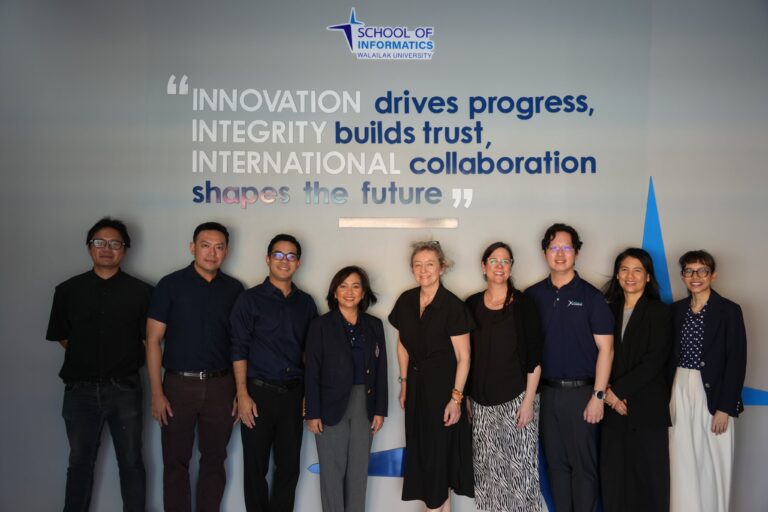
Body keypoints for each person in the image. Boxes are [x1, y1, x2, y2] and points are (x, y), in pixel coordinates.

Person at [46, 217, 153, 512]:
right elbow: (63, 337)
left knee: (131, 461)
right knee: (79, 462)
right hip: (79, 390)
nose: (107, 248)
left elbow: (149, 340)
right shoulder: (67, 291)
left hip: (125, 389)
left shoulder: (143, 292)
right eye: (100, 242)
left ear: (125, 250)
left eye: (115, 243)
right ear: (89, 247)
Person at [145, 222, 244, 512]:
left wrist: (239, 391)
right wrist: (157, 393)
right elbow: (153, 341)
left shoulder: (234, 289)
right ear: (192, 247)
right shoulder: (170, 285)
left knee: (215, 459)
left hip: (221, 386)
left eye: (219, 247)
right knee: (175, 462)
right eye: (205, 245)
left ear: (226, 251)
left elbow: (240, 344)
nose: (212, 253)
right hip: (178, 386)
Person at [524, 223, 614, 512]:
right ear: (544, 253)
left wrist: (598, 396)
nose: (560, 254)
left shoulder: (591, 297)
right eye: (554, 248)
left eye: (566, 248)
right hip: (547, 394)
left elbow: (607, 349)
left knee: (583, 467)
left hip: (582, 394)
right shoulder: (532, 296)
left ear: (576, 252)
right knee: (556, 466)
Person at [230, 233, 318, 512]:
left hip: (293, 395)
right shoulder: (249, 300)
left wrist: (309, 395)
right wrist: (242, 394)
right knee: (255, 468)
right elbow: (239, 348)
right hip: (258, 394)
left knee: (289, 468)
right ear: (268, 259)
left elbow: (311, 354)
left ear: (298, 263)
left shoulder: (306, 303)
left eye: (291, 256)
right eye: (278, 255)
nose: (284, 261)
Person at [388, 241, 474, 512]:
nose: (423, 270)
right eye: (418, 265)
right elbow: (402, 345)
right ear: (412, 269)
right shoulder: (406, 301)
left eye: (430, 264)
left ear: (441, 267)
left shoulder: (453, 306)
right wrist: (404, 383)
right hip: (416, 389)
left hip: (443, 392)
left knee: (438, 460)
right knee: (427, 460)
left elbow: (464, 358)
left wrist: (456, 399)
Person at [465, 242, 543, 512]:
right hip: (481, 403)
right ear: (483, 266)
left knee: (520, 473)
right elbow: (466, 356)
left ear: (511, 267)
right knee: (489, 474)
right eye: (493, 261)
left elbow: (535, 358)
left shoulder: (524, 305)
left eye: (505, 261)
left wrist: (529, 401)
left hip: (517, 399)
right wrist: (467, 397)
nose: (499, 266)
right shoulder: (471, 304)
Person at [669, 250, 747, 512]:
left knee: (713, 460)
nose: (696, 276)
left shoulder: (729, 311)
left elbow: (736, 361)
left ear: (713, 275)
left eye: (702, 270)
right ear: (682, 276)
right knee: (681, 456)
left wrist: (725, 407)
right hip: (679, 388)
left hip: (714, 393)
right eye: (689, 271)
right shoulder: (676, 310)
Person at [305, 266, 388, 512]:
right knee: (332, 472)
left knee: (358, 472)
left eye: (355, 286)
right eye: (343, 286)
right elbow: (312, 371)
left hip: (365, 404)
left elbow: (381, 368)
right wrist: (312, 412)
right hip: (329, 406)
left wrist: (380, 409)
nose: (349, 292)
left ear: (363, 293)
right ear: (335, 292)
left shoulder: (374, 325)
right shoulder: (320, 325)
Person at [600, 248, 672, 512]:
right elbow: (599, 355)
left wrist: (616, 392)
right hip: (612, 409)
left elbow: (655, 360)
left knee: (648, 482)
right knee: (615, 479)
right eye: (624, 269)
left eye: (637, 270)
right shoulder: (606, 310)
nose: (630, 276)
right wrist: (610, 395)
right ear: (617, 275)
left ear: (648, 277)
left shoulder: (660, 312)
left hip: (646, 407)